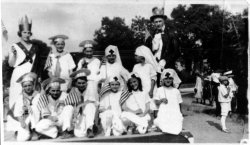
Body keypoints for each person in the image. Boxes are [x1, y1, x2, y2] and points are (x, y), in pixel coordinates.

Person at [8, 15, 39, 110]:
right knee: (17, 94)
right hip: (18, 73)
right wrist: (13, 55)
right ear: (20, 33)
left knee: (33, 95)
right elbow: (11, 64)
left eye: (29, 33)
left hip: (31, 73)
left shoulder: (35, 47)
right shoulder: (14, 46)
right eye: (24, 32)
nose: (27, 35)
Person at [6, 72, 40, 141]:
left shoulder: (37, 95)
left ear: (33, 85)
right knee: (22, 139)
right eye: (25, 86)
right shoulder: (20, 97)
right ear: (23, 87)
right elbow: (17, 112)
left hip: (36, 117)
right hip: (24, 117)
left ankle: (34, 130)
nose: (28, 87)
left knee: (34, 108)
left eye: (29, 85)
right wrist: (22, 122)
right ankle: (19, 130)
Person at [65, 68, 97, 138]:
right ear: (76, 83)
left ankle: (90, 129)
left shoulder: (91, 88)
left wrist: (79, 106)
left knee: (90, 106)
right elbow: (70, 103)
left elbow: (92, 101)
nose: (81, 85)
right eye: (79, 83)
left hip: (88, 114)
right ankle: (68, 130)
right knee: (79, 134)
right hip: (78, 114)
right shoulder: (74, 90)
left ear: (86, 83)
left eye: (83, 83)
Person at [153, 69, 183, 135]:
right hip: (164, 113)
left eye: (170, 78)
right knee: (164, 128)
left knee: (176, 129)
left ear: (173, 80)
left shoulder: (176, 91)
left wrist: (180, 114)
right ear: (163, 80)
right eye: (166, 79)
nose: (168, 80)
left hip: (174, 114)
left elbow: (179, 103)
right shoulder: (159, 90)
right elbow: (156, 103)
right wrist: (161, 100)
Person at [133, 45, 158, 112]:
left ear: (142, 56)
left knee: (152, 104)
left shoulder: (149, 66)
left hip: (149, 88)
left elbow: (153, 78)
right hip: (141, 89)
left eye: (136, 55)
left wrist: (151, 90)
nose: (135, 57)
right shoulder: (136, 67)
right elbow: (134, 78)